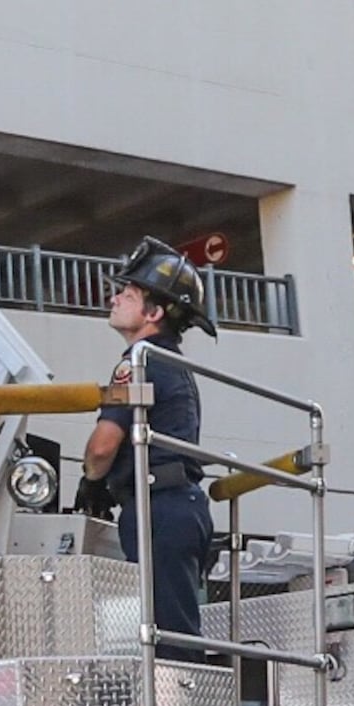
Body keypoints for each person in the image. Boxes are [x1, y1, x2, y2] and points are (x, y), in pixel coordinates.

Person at [76, 237, 216, 644]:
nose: (115, 298)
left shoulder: (139, 363)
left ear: (153, 312)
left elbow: (103, 447)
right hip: (174, 505)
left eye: (128, 294)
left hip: (159, 508)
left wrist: (92, 480)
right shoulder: (169, 363)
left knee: (166, 636)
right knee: (169, 627)